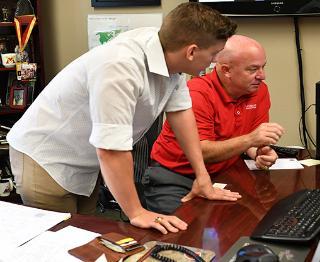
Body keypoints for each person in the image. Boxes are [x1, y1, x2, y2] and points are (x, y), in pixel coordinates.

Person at [6, 2, 241, 234]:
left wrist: (202, 177)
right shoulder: (120, 66)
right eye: (214, 54)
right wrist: (136, 212)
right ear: (191, 51)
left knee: (86, 237)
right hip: (47, 158)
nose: (215, 62)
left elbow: (181, 113)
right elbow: (111, 149)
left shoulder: (170, 52)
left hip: (86, 161)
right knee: (62, 243)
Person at [146, 35, 285, 214]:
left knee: (248, 220)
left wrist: (258, 152)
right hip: (176, 177)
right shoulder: (197, 93)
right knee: (184, 232)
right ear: (226, 70)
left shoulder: (258, 91)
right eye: (253, 69)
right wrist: (251, 140)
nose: (262, 76)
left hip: (220, 174)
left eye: (263, 67)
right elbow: (202, 152)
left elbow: (250, 138)